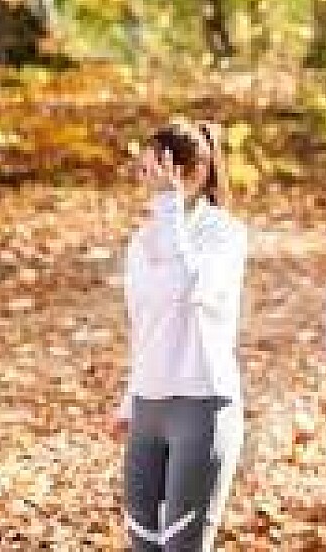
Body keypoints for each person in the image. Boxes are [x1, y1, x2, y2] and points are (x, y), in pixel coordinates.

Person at [115, 119, 247, 551]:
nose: (148, 181)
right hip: (148, 405)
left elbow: (187, 288)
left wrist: (170, 209)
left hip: (202, 403)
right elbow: (145, 324)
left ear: (195, 171)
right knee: (143, 542)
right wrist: (130, 398)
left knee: (183, 545)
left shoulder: (225, 234)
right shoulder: (142, 240)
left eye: (156, 169)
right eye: (144, 170)